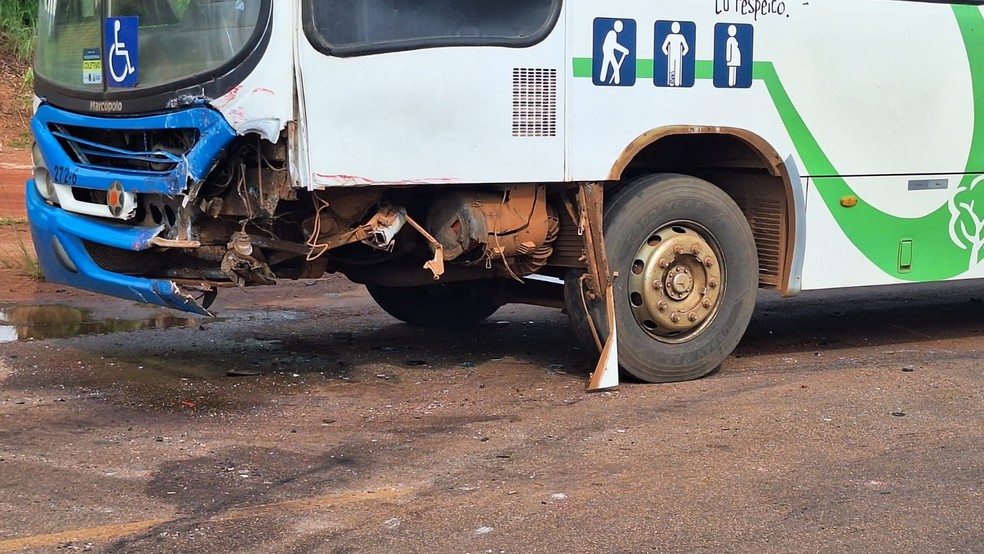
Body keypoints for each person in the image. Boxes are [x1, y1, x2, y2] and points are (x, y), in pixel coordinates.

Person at [600, 20, 630, 85]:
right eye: (620, 26)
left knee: (606, 65)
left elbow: (613, 45)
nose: (621, 28)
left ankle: (603, 79)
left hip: (608, 51)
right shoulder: (612, 33)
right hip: (608, 52)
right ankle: (616, 81)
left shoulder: (612, 33)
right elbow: (614, 45)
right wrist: (624, 50)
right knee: (615, 66)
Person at [661, 21, 690, 87]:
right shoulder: (669, 36)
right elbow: (663, 47)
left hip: (678, 56)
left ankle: (677, 83)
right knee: (671, 69)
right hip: (671, 55)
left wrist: (683, 54)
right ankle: (672, 83)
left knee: (677, 69)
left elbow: (686, 48)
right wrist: (667, 53)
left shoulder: (681, 37)